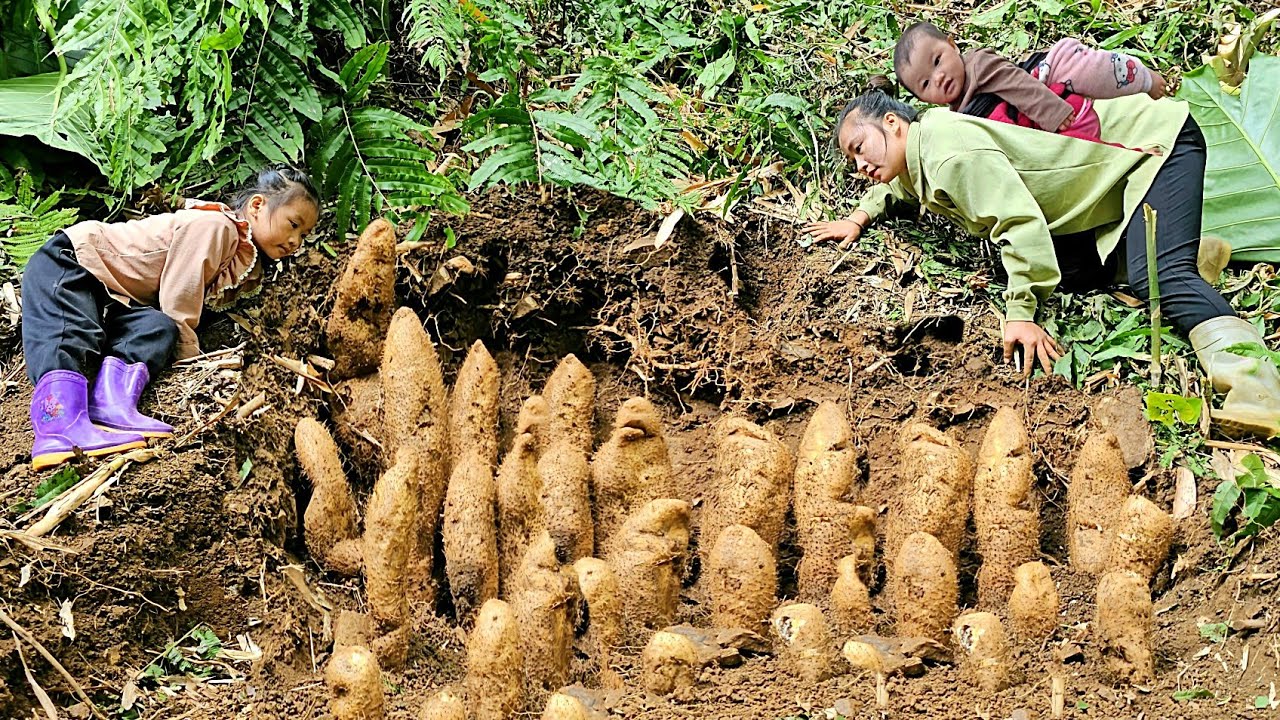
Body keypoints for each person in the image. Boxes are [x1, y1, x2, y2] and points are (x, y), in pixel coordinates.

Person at [808, 87, 1279, 437]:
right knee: (1068, 272)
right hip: (1113, 182)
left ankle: (1258, 386)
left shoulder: (950, 154)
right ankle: (1181, 251)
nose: (859, 165)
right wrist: (858, 216)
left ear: (892, 122)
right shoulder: (919, 154)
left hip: (1155, 145)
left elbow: (1019, 225)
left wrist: (1021, 315)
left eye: (859, 148)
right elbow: (894, 187)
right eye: (850, 161)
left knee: (1162, 280)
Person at [20, 165, 321, 470]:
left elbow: (170, 316)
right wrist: (192, 364)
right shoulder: (217, 227)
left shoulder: (244, 258)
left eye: (304, 235)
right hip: (71, 262)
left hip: (111, 295)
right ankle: (57, 429)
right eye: (293, 224)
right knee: (70, 334)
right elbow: (179, 298)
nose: (296, 241)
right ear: (258, 205)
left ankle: (111, 405)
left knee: (157, 327)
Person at [893, 21, 1165, 144]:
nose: (938, 78)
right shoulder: (955, 115)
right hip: (1038, 133)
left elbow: (1017, 84)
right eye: (926, 83)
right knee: (1084, 156)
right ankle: (1131, 155)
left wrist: (1054, 113)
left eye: (938, 61)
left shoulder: (978, 65)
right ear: (922, 99)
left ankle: (1144, 79)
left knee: (1092, 69)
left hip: (1053, 95)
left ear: (952, 45)